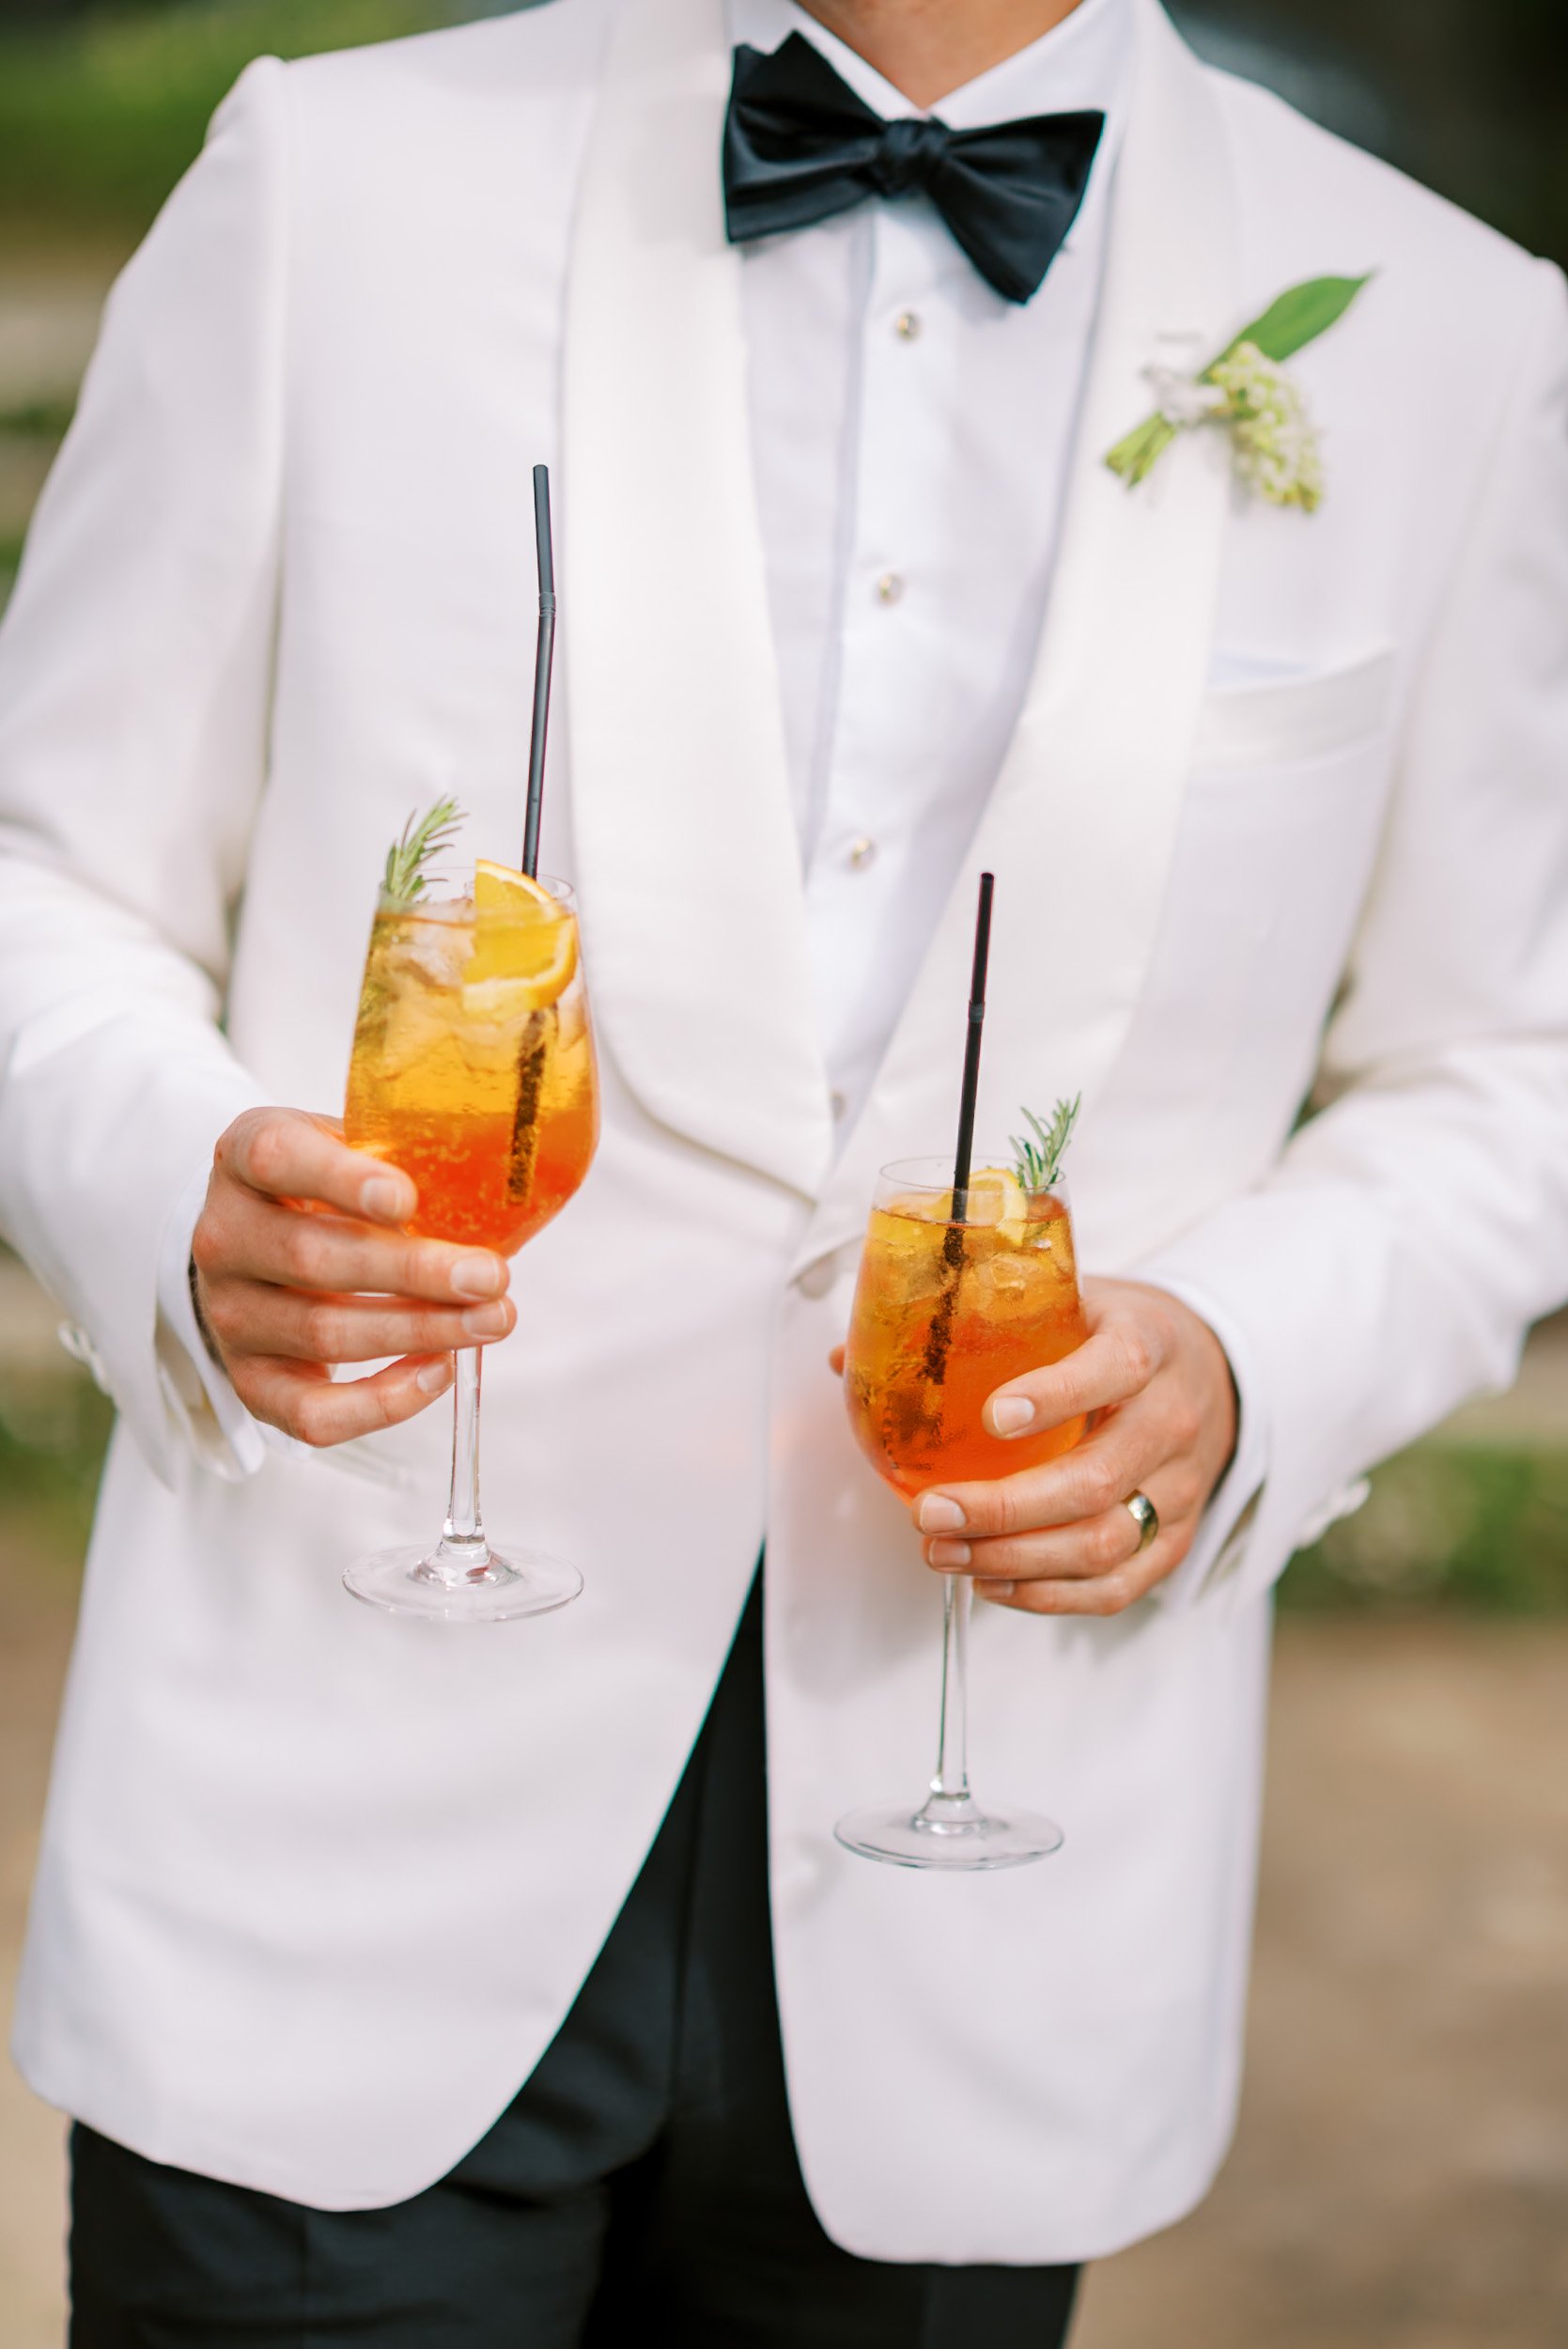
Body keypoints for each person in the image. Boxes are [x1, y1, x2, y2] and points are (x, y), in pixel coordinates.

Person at [2, 0, 1566, 2338]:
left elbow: (1509, 1058)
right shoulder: (338, 179)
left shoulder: (1447, 323)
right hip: (330, 1824)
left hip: (981, 1864)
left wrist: (1251, 1358)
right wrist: (165, 1178)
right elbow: (41, 863)